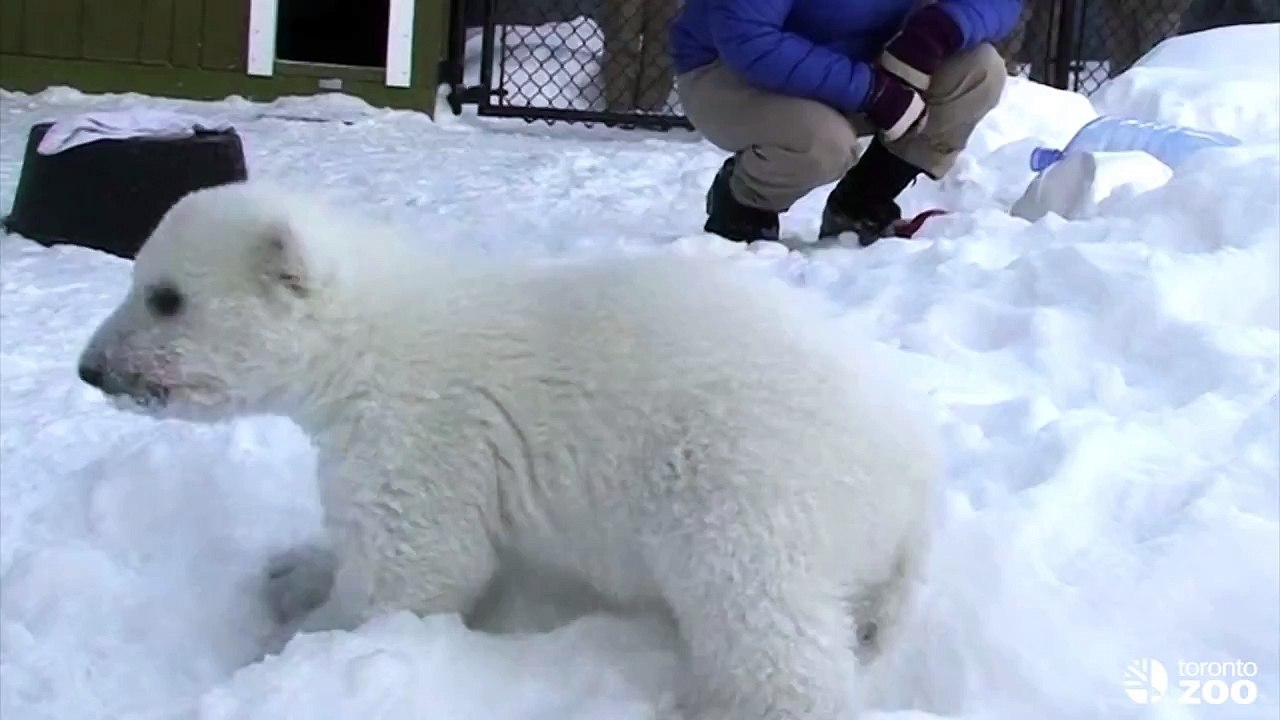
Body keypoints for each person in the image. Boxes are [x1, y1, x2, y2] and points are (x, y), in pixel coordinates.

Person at [669, 0, 1023, 245]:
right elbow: (748, 38)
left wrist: (938, 29)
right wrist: (871, 92)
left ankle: (861, 206)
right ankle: (743, 202)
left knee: (978, 71)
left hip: (861, 60)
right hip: (730, 71)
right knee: (823, 143)